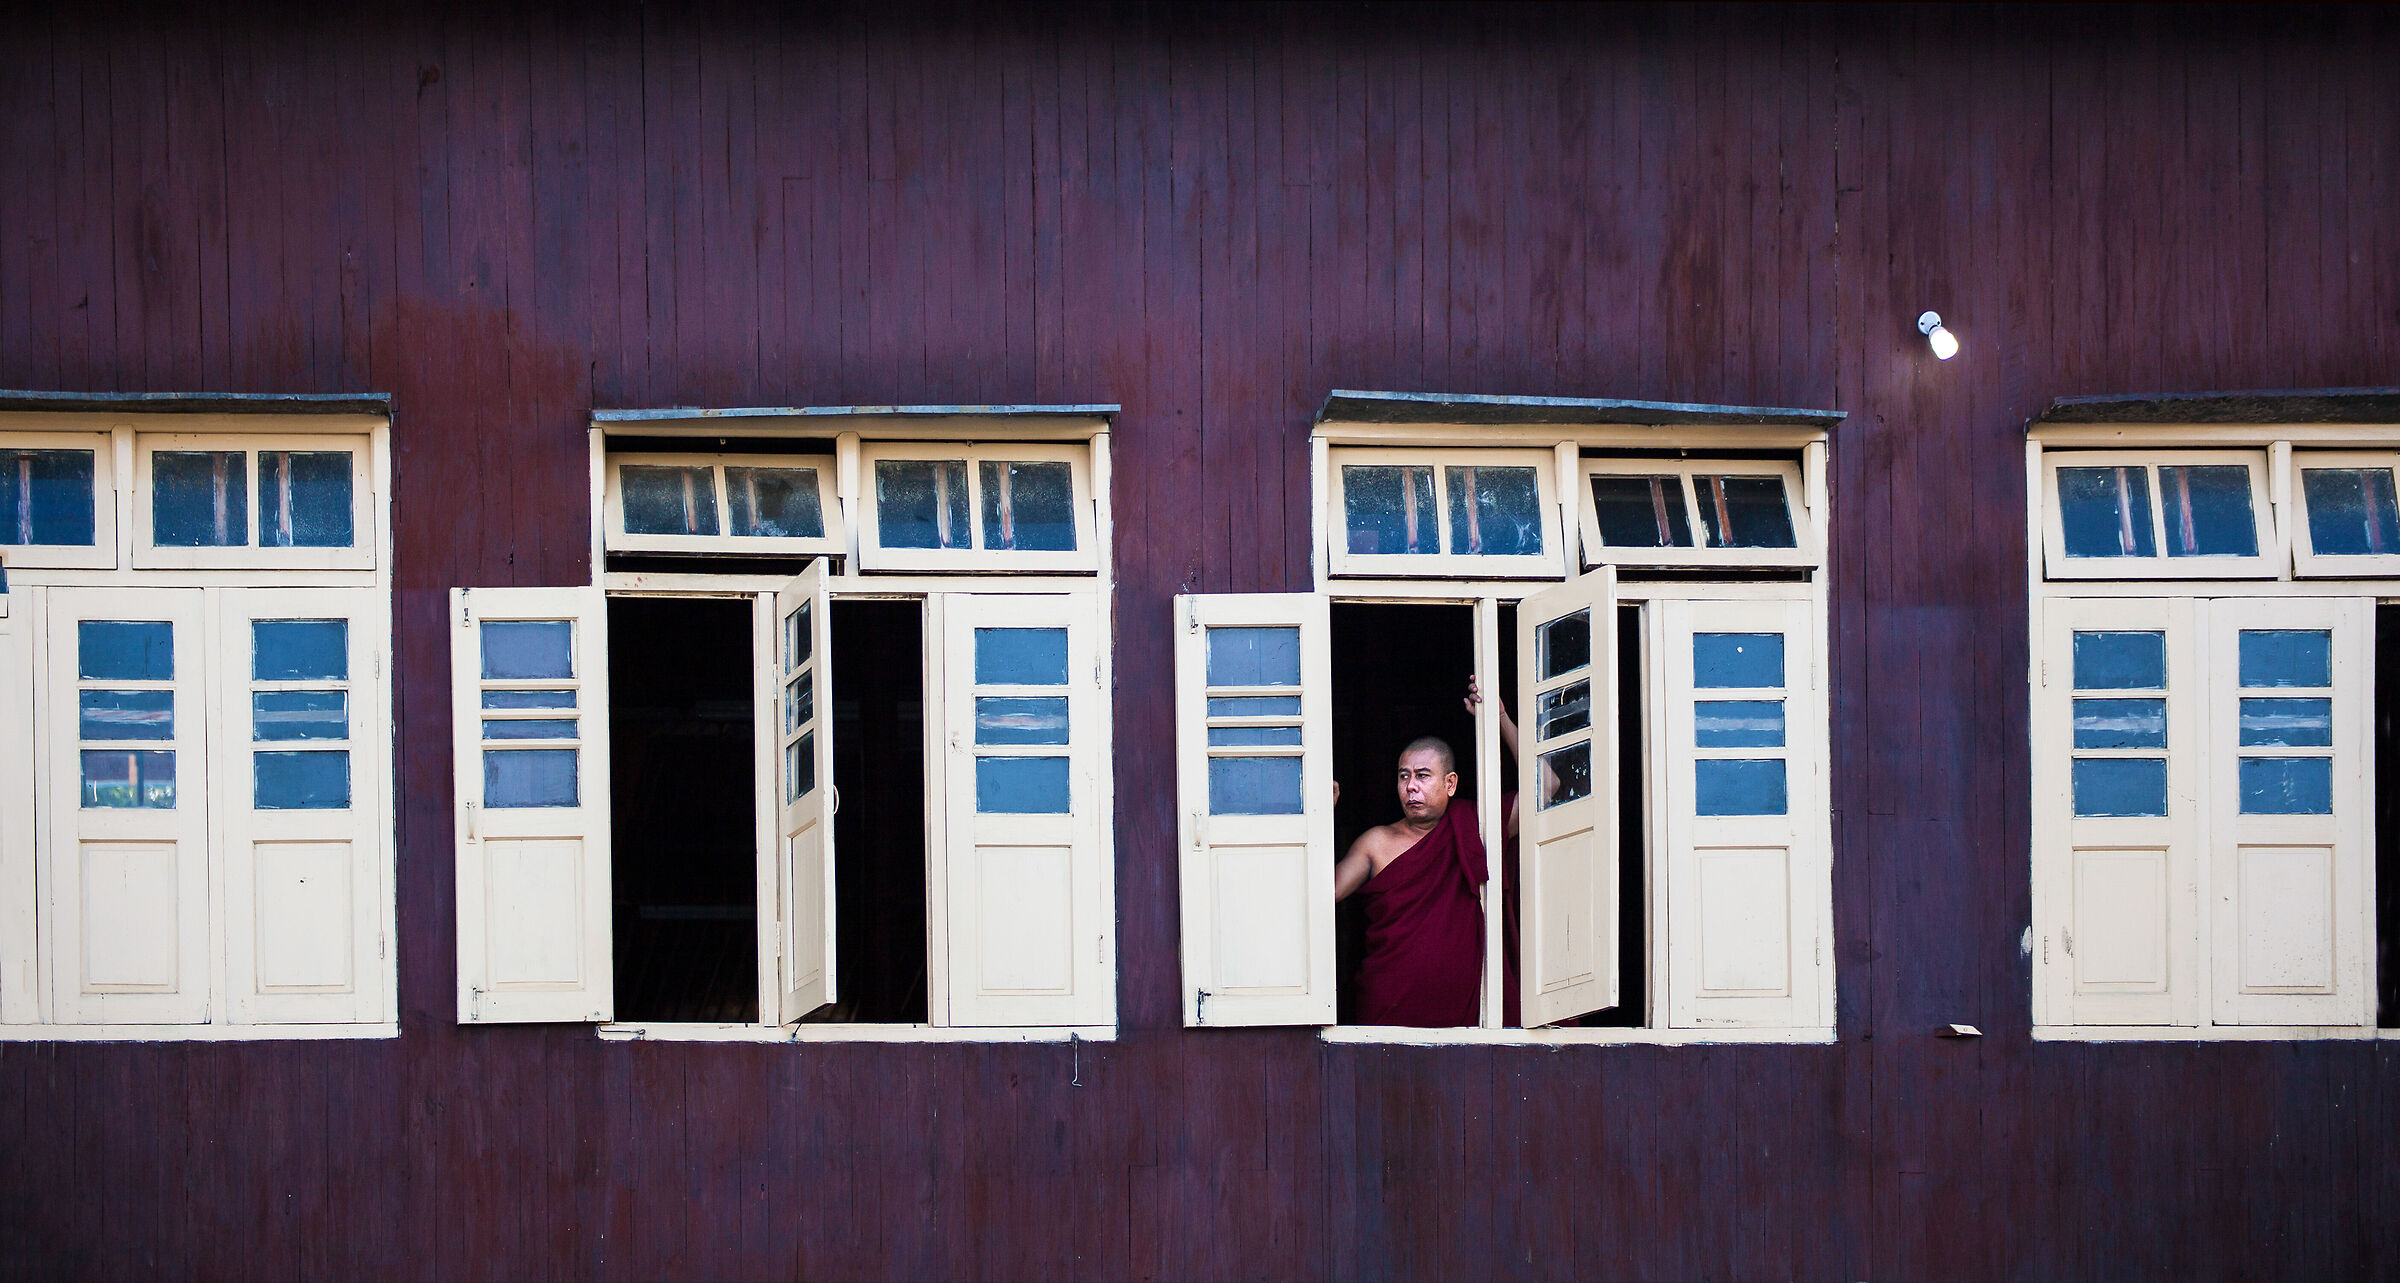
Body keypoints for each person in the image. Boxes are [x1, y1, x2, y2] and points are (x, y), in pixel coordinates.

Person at [1334, 677, 1544, 1027]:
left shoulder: (1475, 826)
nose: (1410, 786)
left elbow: (1546, 789)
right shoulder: (1376, 843)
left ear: (1450, 783)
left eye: (1422, 775)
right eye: (1403, 776)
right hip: (1386, 1011)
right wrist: (1320, 815)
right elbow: (1324, 892)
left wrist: (1501, 719)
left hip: (1465, 1024)